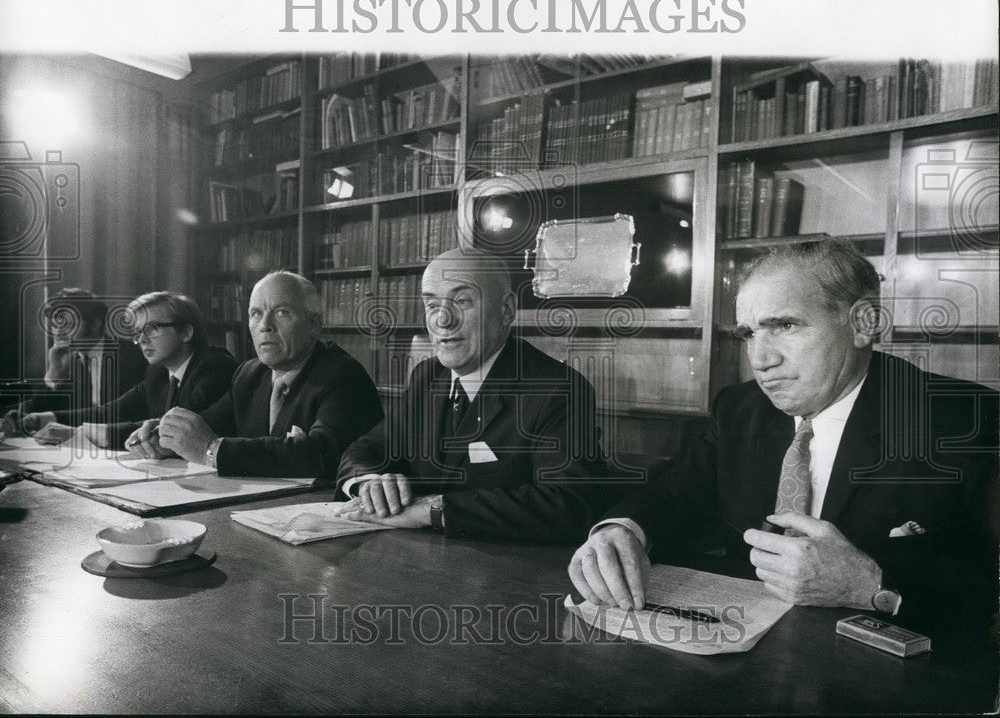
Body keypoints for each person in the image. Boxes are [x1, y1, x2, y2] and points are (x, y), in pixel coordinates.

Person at [568, 238, 998, 633]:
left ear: (863, 323)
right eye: (749, 333)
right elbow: (676, 492)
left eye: (786, 326)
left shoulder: (971, 422)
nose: (760, 359)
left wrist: (871, 584)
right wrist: (622, 530)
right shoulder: (738, 408)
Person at [334, 247, 606, 543]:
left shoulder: (558, 389)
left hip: (504, 566)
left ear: (506, 309)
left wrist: (433, 510)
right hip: (413, 556)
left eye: (462, 301)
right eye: (432, 304)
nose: (442, 319)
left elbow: (567, 505)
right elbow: (365, 449)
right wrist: (369, 484)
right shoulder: (427, 376)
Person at [135, 271, 382, 478]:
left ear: (314, 325)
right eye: (256, 314)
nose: (265, 325)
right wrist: (169, 436)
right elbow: (209, 423)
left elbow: (321, 454)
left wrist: (211, 449)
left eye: (282, 312)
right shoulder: (249, 374)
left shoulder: (343, 375)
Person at [16, 292, 236, 449]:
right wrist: (46, 417)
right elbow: (110, 411)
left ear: (186, 333)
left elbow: (175, 427)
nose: (142, 339)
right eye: (138, 332)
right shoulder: (157, 374)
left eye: (153, 328)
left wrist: (81, 433)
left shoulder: (215, 366)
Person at [1, 288, 146, 435]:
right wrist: (53, 374)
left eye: (67, 324)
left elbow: (131, 413)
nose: (58, 332)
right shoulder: (67, 360)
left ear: (95, 325)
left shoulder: (134, 355)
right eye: (55, 325)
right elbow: (38, 416)